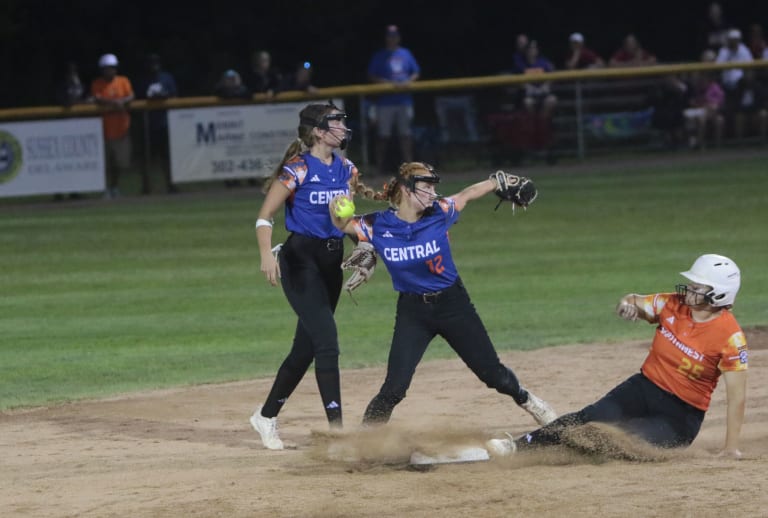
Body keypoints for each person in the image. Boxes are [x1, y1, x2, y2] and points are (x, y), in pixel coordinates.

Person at [329, 163, 557, 428]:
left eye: (433, 187)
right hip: (413, 313)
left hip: (453, 306)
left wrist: (496, 182)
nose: (432, 192)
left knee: (493, 375)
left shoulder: (440, 211)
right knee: (394, 388)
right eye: (426, 187)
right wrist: (338, 205)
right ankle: (366, 441)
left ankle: (528, 400)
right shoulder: (376, 225)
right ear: (406, 190)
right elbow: (342, 224)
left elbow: (467, 194)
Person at [487, 254, 747, 460]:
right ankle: (518, 447)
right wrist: (626, 306)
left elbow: (737, 398)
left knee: (620, 439)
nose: (688, 289)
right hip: (642, 388)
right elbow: (633, 300)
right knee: (588, 418)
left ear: (718, 294)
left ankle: (561, 455)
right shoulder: (671, 304)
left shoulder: (730, 338)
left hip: (679, 417)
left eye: (697, 287)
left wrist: (731, 448)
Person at [249, 102, 375, 450]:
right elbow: (264, 216)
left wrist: (365, 246)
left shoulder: (346, 169)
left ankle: (265, 416)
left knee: (305, 349)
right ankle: (337, 433)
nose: (342, 128)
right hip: (300, 261)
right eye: (335, 122)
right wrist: (266, 254)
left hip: (331, 264)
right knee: (327, 343)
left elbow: (347, 221)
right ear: (319, 131)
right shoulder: (298, 169)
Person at [367, 25, 421, 175]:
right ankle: (379, 168)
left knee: (406, 136)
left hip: (404, 100)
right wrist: (386, 83)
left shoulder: (405, 53)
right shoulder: (380, 55)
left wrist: (408, 81)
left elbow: (416, 72)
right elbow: (371, 75)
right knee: (383, 137)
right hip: (385, 102)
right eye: (390, 36)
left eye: (395, 36)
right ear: (386, 38)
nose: (392, 39)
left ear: (398, 37)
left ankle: (409, 168)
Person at [91, 53, 135, 199]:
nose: (110, 71)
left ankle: (115, 187)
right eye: (107, 68)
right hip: (103, 130)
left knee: (119, 163)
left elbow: (131, 95)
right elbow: (97, 98)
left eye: (112, 68)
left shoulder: (123, 81)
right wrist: (113, 103)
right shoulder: (97, 83)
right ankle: (105, 189)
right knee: (105, 163)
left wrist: (122, 101)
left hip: (121, 128)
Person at [136, 53, 179, 194]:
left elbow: (174, 95)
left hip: (165, 122)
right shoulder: (143, 80)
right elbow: (137, 98)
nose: (153, 66)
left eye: (155, 63)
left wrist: (164, 96)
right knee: (147, 158)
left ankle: (171, 184)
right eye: (151, 63)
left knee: (167, 157)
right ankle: (146, 187)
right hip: (148, 123)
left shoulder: (166, 77)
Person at [715, 29, 753, 93]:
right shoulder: (724, 50)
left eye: (735, 40)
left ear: (739, 40)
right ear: (729, 40)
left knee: (748, 77)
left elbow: (750, 65)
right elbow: (717, 66)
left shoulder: (744, 50)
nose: (733, 42)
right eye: (732, 40)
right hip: (725, 81)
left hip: (741, 82)